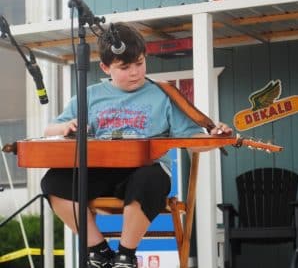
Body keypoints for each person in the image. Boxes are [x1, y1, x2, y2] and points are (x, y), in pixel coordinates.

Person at [41, 22, 233, 268]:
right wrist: (65, 128)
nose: (134, 72)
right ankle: (98, 252)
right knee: (53, 181)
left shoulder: (163, 95)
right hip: (102, 171)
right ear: (105, 67)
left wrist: (217, 138)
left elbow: (193, 143)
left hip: (145, 172)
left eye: (140, 63)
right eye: (124, 67)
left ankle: (126, 256)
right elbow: (49, 130)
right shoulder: (89, 95)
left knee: (149, 178)